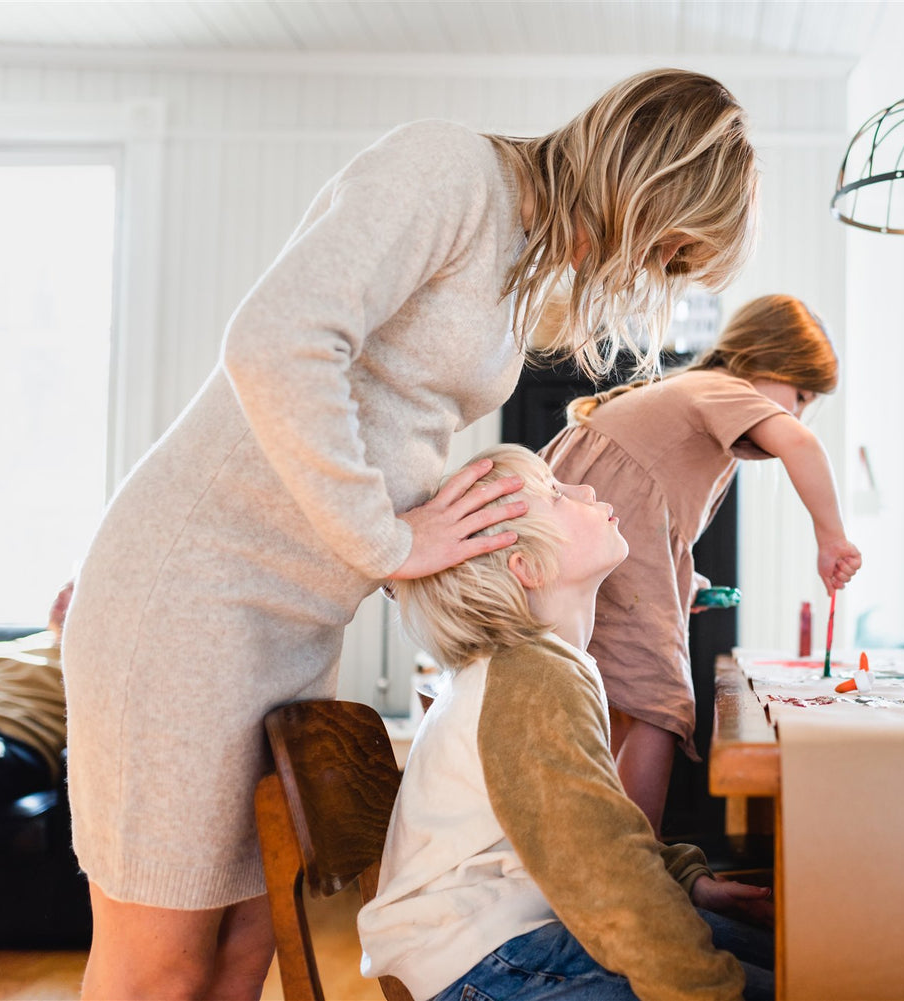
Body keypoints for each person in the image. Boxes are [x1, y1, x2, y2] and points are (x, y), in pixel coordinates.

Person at [60, 68, 760, 1000]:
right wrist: (390, 544)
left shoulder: (518, 269)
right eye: (668, 252)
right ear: (645, 184)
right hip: (191, 592)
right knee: (165, 962)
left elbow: (389, 429)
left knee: (242, 948)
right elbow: (275, 339)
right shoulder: (451, 171)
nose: (650, 278)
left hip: (297, 618)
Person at [360, 444, 774, 1001]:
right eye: (556, 494)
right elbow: (599, 865)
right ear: (528, 568)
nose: (584, 489)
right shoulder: (530, 677)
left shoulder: (536, 666)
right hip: (487, 961)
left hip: (510, 937)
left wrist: (687, 882)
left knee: (783, 958)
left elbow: (598, 828)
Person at [540, 294, 862, 832]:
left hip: (582, 543)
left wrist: (681, 580)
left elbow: (651, 523)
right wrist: (831, 538)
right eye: (800, 395)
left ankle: (598, 845)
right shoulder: (721, 389)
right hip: (600, 538)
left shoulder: (691, 396)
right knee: (658, 704)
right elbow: (802, 445)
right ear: (764, 361)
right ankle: (636, 865)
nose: (797, 413)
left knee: (619, 703)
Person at [0, 581, 73, 837]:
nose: (61, 597)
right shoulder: (5, 649)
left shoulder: (91, 657)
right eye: (61, 591)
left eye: (73, 593)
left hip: (20, 749)